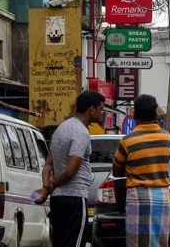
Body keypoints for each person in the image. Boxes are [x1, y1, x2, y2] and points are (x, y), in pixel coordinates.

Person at [34, 91, 105, 247]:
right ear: (91, 110)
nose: (102, 113)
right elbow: (70, 171)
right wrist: (52, 184)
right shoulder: (81, 132)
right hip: (75, 198)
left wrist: (46, 187)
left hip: (58, 200)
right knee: (75, 243)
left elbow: (48, 165)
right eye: (101, 109)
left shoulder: (62, 128)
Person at [113, 95, 170, 247]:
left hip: (137, 197)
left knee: (137, 241)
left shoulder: (127, 141)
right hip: (162, 196)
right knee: (160, 240)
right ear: (154, 115)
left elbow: (116, 171)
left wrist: (132, 170)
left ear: (134, 115)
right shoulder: (167, 138)